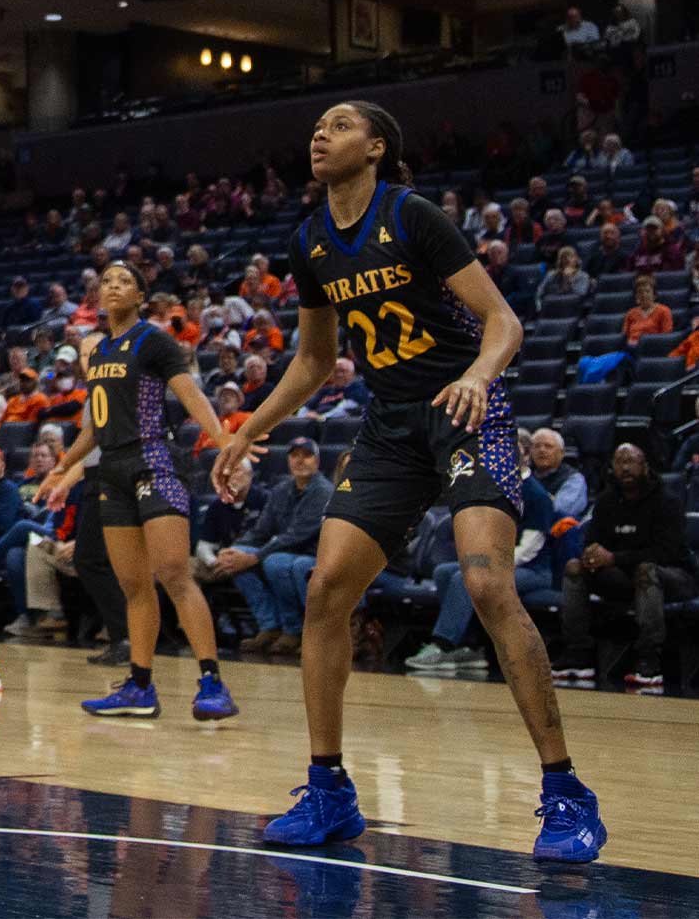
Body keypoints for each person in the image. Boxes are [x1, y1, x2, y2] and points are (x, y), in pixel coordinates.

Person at [215, 100, 601, 863]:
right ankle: (328, 790)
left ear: (377, 145)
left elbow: (504, 322)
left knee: (489, 585)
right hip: (391, 426)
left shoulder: (412, 213)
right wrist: (246, 431)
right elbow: (316, 362)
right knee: (326, 590)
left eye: (339, 124)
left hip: (468, 412)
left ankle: (566, 792)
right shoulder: (310, 241)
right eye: (317, 126)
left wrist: (481, 378)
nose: (319, 134)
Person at [37, 263, 237, 722]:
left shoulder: (154, 341)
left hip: (155, 460)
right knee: (132, 585)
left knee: (173, 573)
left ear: (141, 297)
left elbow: (190, 396)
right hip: (113, 470)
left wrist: (223, 439)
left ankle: (212, 682)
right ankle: (140, 686)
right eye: (105, 280)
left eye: (123, 281)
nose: (112, 286)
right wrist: (63, 470)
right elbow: (95, 425)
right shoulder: (101, 349)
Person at [554, 443, 696, 694]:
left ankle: (649, 659)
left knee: (646, 569)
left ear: (645, 466)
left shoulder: (666, 500)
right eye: (620, 462)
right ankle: (578, 652)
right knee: (575, 568)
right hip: (625, 577)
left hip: (675, 577)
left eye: (631, 461)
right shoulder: (607, 501)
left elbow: (667, 552)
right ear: (612, 467)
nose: (625, 467)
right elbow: (593, 541)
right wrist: (591, 555)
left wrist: (614, 558)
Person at [408, 468, 559, 675]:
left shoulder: (536, 495)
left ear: (521, 454)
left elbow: (529, 549)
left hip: (533, 570)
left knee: (466, 578)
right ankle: (468, 647)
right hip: (495, 561)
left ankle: (442, 644)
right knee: (443, 572)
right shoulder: (496, 489)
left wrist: (489, 565)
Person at [200, 437, 330, 656]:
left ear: (316, 462)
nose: (300, 461)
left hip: (312, 555)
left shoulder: (323, 491)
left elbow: (296, 535)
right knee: (237, 561)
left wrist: (255, 557)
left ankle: (298, 630)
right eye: (295, 456)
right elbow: (261, 530)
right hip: (283, 553)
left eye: (306, 456)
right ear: (288, 461)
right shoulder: (281, 490)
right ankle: (269, 627)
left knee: (276, 563)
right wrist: (235, 550)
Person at [525, 428, 588, 518]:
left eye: (548, 446)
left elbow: (559, 511)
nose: (542, 450)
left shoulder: (574, 479)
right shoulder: (524, 475)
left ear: (561, 453)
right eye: (536, 446)